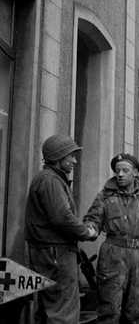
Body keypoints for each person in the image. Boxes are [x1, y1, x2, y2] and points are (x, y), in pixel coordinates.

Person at [84, 153, 139, 323]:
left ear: (136, 172)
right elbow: (92, 220)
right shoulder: (105, 196)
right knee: (109, 310)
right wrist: (89, 229)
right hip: (113, 255)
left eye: (125, 170)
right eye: (117, 171)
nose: (120, 174)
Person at [25, 134, 97, 324]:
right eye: (70, 156)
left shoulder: (50, 179)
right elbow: (62, 218)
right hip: (56, 251)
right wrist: (86, 232)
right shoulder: (51, 181)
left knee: (48, 306)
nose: (74, 160)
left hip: (49, 250)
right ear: (58, 157)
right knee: (62, 309)